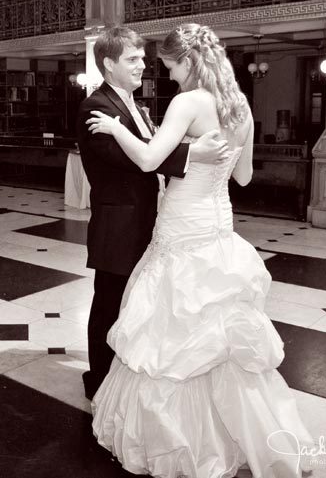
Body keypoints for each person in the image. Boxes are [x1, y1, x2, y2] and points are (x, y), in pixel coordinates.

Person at [85, 24, 312, 478]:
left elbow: (150, 160)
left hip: (183, 223)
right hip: (219, 223)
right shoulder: (240, 105)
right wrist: (209, 155)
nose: (167, 75)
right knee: (217, 325)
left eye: (169, 65)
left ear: (187, 61)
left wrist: (115, 127)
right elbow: (244, 177)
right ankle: (241, 431)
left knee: (174, 326)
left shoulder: (187, 102)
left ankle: (184, 438)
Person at [77, 26, 229, 403]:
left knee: (135, 306)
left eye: (142, 58)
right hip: (119, 225)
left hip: (149, 221)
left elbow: (148, 148)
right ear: (108, 64)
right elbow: (134, 160)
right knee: (109, 304)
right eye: (132, 59)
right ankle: (98, 381)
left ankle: (123, 376)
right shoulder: (96, 107)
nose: (142, 65)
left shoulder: (134, 104)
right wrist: (194, 155)